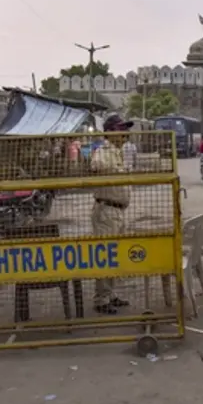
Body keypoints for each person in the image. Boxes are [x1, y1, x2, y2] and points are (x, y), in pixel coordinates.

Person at [89, 114, 134, 314]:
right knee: (105, 254)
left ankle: (110, 294)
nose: (124, 132)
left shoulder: (119, 151)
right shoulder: (104, 150)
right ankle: (101, 299)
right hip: (106, 209)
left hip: (117, 209)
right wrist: (116, 171)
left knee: (115, 255)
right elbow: (96, 165)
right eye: (120, 128)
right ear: (109, 132)